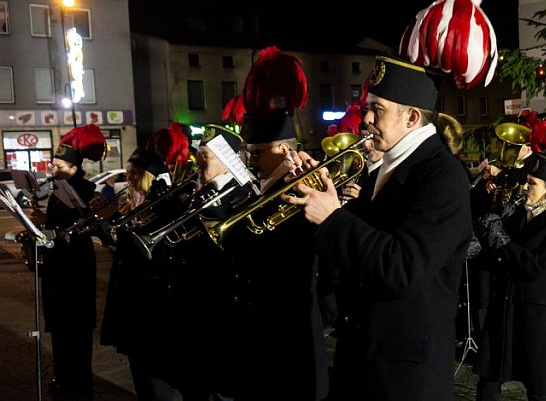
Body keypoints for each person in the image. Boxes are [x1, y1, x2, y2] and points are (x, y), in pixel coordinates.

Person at [286, 55, 472, 401]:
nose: (366, 118)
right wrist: (317, 189)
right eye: (368, 106)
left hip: (403, 372)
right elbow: (360, 244)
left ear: (412, 117)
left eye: (377, 109)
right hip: (365, 354)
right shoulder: (387, 165)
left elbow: (402, 268)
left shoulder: (442, 176)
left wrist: (333, 218)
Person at [223, 45, 329, 401]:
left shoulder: (301, 191)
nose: (249, 161)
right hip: (253, 337)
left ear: (284, 150)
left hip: (290, 340)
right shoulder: (252, 192)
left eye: (256, 153)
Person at [471, 150, 546, 401]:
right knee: (488, 381)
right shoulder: (519, 213)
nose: (525, 187)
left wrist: (503, 243)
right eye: (526, 181)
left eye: (532, 183)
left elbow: (536, 267)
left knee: (537, 387)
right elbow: (495, 252)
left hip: (535, 315)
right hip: (505, 308)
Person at [160, 124, 252, 400]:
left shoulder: (242, 195)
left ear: (227, 160)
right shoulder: (198, 192)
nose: (197, 161)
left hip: (216, 314)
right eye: (198, 154)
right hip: (188, 313)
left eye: (206, 155)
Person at [31, 124, 107, 396]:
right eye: (54, 164)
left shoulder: (83, 193)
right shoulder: (59, 189)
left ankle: (77, 386)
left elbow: (75, 234)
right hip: (59, 274)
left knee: (75, 338)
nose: (53, 170)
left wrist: (46, 223)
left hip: (74, 276)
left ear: (74, 168)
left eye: (59, 165)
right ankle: (64, 379)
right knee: (62, 336)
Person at [99, 148, 178, 401]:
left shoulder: (162, 206)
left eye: (135, 174)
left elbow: (151, 251)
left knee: (154, 375)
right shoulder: (131, 204)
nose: (129, 179)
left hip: (151, 300)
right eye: (128, 173)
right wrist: (104, 223)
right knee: (139, 372)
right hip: (129, 297)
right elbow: (119, 245)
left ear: (150, 176)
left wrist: (123, 223)